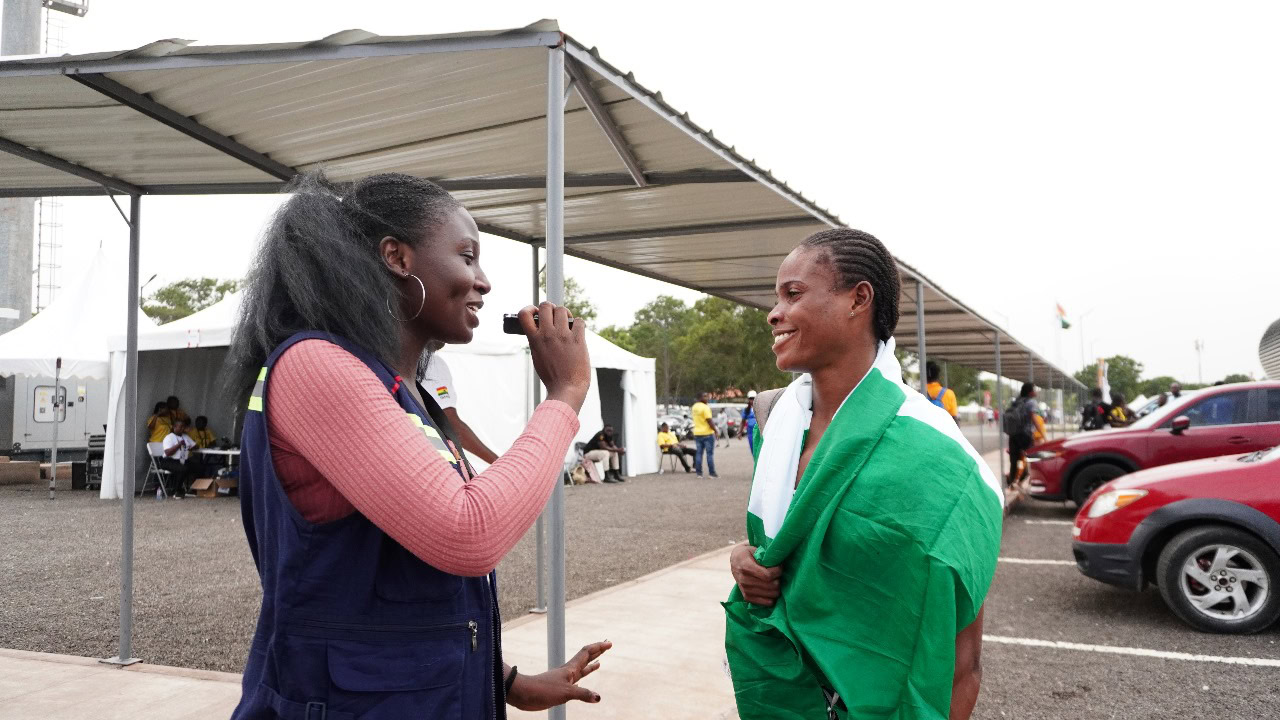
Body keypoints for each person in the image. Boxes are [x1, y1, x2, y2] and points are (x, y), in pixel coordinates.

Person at [226, 172, 609, 720]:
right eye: (467, 256)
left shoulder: (399, 390)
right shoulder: (317, 365)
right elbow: (468, 532)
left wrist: (505, 680)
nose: (484, 281)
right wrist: (565, 395)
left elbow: (389, 584)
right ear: (397, 257)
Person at [724, 229, 1002, 720]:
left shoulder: (938, 454)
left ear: (859, 299)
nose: (774, 312)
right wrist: (743, 560)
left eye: (793, 294)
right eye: (775, 297)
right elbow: (786, 543)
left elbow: (962, 660)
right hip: (783, 698)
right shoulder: (777, 423)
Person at [421, 344, 499, 463]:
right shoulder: (431, 364)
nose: (475, 324)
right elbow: (449, 422)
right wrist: (497, 462)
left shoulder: (397, 357)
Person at [1005, 382, 1038, 485]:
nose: (1035, 392)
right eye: (1034, 390)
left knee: (1014, 459)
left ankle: (1012, 480)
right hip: (1025, 435)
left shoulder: (1016, 401)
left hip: (1014, 434)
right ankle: (1024, 477)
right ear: (1030, 392)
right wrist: (1042, 433)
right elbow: (1034, 418)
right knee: (1029, 458)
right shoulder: (1031, 403)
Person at [159, 418, 198, 498]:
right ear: (174, 427)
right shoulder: (169, 437)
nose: (182, 429)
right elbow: (168, 453)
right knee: (182, 469)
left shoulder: (185, 436)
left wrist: (191, 447)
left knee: (198, 467)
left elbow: (196, 446)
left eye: (183, 427)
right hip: (168, 461)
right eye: (180, 427)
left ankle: (192, 490)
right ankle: (177, 491)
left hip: (182, 460)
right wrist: (178, 445)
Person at [691, 392, 717, 477]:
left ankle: (699, 473)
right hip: (707, 433)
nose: (707, 398)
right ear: (700, 397)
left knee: (699, 454)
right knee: (709, 454)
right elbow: (709, 420)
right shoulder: (705, 407)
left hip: (697, 433)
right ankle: (712, 473)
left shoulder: (694, 407)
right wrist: (715, 430)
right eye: (705, 396)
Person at [741, 390, 759, 458]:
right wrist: (740, 432)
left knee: (759, 449)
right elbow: (743, 421)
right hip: (750, 433)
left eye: (753, 398)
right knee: (753, 449)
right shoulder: (746, 410)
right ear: (748, 399)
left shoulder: (760, 407)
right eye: (751, 398)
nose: (752, 400)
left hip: (759, 432)